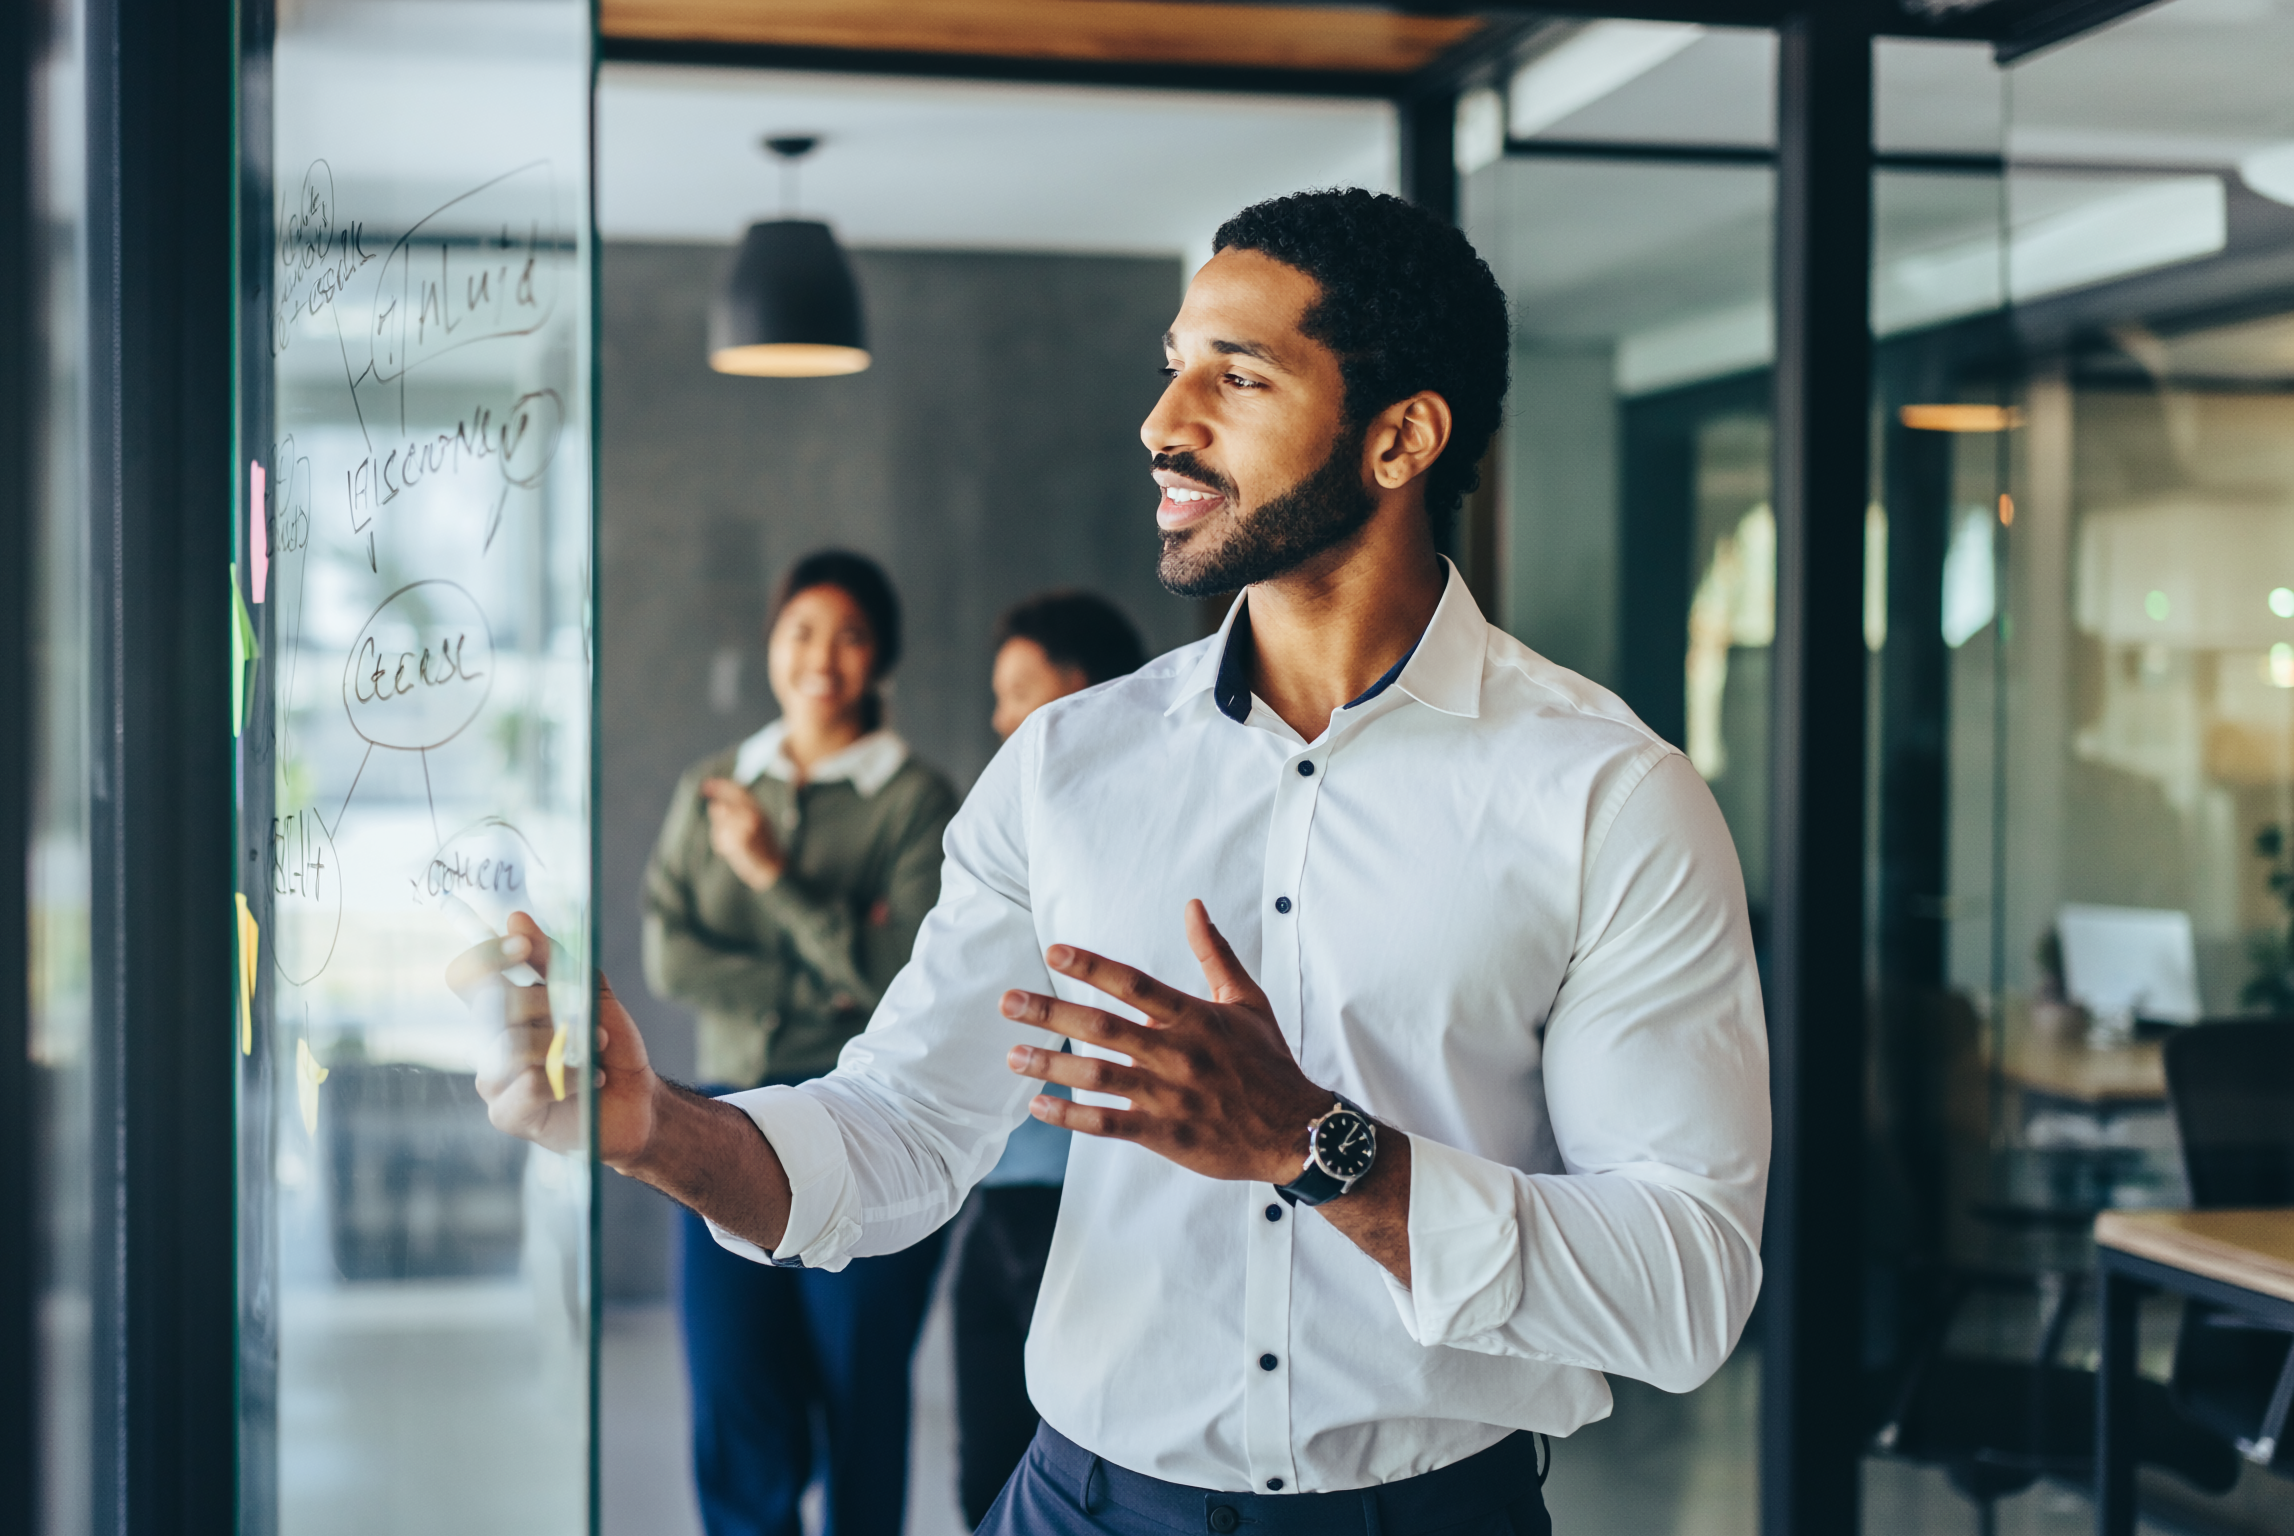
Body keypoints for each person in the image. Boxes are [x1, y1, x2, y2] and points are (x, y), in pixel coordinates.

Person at [472, 189, 1769, 1536]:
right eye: (1172, 365)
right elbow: (905, 1128)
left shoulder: (1607, 797)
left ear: (1400, 438)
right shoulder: (1065, 767)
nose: (1164, 422)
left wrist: (1319, 1151)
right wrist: (658, 1132)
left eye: (1238, 374)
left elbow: (1684, 1294)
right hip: (1079, 1503)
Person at [642, 549, 961, 1536]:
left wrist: (774, 876)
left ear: (883, 659)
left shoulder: (915, 800)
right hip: (724, 1112)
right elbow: (671, 957)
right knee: (736, 1404)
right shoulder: (714, 785)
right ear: (773, 647)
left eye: (851, 635)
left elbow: (899, 978)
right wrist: (827, 966)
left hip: (867, 1122)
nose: (823, 657)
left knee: (860, 1400)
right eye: (802, 632)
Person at [958, 590, 1147, 1527]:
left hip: (1086, 1193)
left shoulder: (1147, 830)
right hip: (1002, 1186)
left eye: (1019, 692)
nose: (1002, 720)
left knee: (1081, 1467)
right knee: (984, 1471)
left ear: (1083, 693)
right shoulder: (1015, 826)